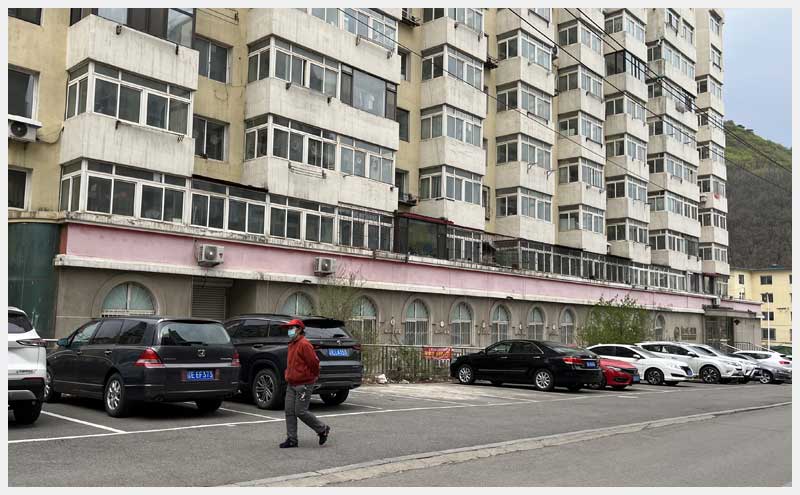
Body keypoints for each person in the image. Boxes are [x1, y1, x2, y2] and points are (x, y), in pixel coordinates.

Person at [280, 319, 330, 448]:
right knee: (289, 411)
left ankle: (322, 429)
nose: (289, 331)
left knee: (300, 411)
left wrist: (312, 376)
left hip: (304, 384)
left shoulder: (304, 344)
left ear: (299, 330)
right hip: (291, 382)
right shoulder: (292, 344)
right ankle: (292, 439)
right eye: (288, 328)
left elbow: (314, 363)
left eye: (291, 328)